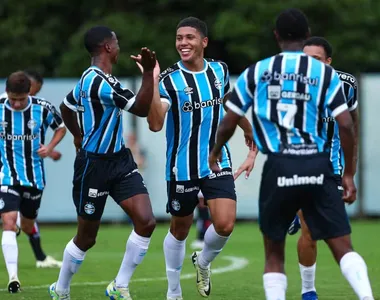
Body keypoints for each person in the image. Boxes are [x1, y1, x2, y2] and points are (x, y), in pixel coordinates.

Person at [209, 8, 374, 300]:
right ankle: (366, 296)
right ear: (307, 35)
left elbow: (228, 120)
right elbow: (347, 125)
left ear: (275, 36)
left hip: (280, 165)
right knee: (342, 247)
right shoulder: (324, 73)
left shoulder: (257, 71)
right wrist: (348, 173)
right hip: (318, 164)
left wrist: (215, 152)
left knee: (274, 253)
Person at [144, 17, 255, 300]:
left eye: (189, 37)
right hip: (182, 167)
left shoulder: (219, 70)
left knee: (226, 224)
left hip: (217, 161)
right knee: (180, 229)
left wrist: (248, 130)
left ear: (203, 42)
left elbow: (229, 103)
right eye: (179, 38)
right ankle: (173, 290)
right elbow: (156, 123)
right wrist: (153, 82)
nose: (183, 43)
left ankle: (203, 262)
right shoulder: (169, 79)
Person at [48, 26, 157, 300]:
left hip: (120, 161)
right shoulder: (99, 82)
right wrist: (147, 72)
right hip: (93, 166)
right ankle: (60, 289)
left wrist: (77, 135)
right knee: (87, 238)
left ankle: (119, 286)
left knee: (146, 221)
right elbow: (142, 109)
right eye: (116, 43)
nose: (119, 47)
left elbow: (66, 105)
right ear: (107, 47)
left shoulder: (94, 79)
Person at [286, 36, 360, 300]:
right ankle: (308, 291)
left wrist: (350, 172)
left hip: (333, 168)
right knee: (310, 230)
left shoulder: (347, 85)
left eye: (316, 59)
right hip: (301, 164)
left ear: (328, 61)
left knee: (332, 232)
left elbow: (352, 127)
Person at [0, 71, 66, 293]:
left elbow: (61, 127)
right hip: (6, 175)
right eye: (12, 99)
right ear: (7, 93)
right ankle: (13, 278)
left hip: (34, 179)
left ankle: (34, 246)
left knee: (27, 225)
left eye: (21, 99)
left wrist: (49, 148)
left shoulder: (42, 107)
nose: (17, 104)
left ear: (29, 93)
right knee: (8, 221)